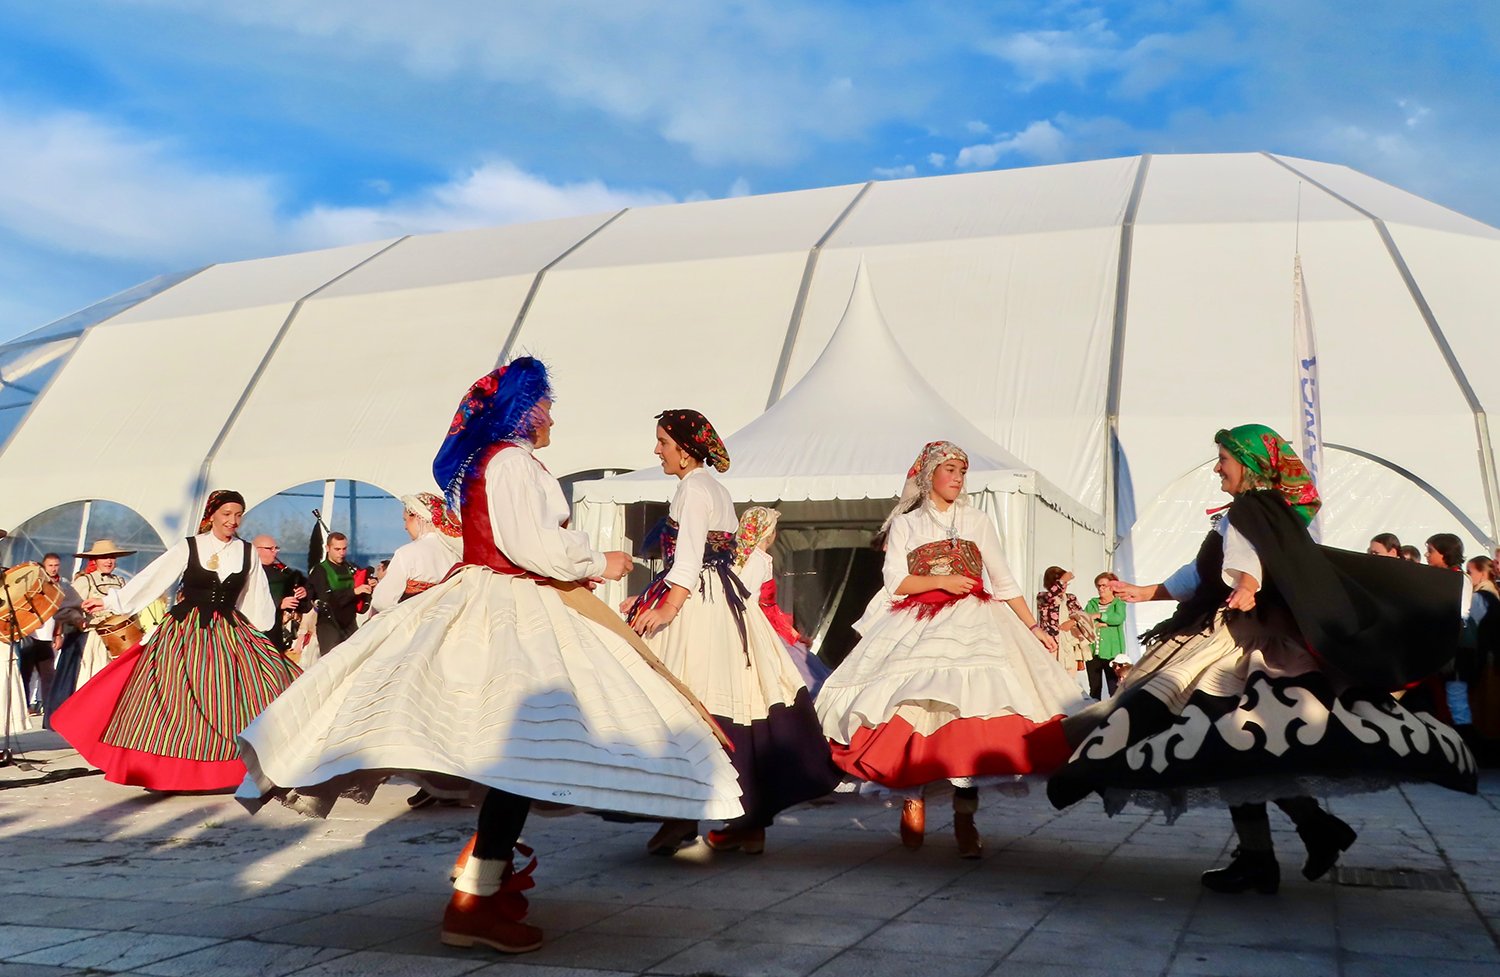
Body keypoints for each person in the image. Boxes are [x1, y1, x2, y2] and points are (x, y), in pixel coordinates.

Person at [237, 359, 742, 956]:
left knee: (520, 752)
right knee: (523, 748)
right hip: (512, 603)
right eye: (547, 404)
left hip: (498, 596)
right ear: (524, 409)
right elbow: (531, 545)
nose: (553, 414)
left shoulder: (500, 462)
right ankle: (475, 896)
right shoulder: (510, 462)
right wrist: (596, 562)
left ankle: (484, 877)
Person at [1048, 425, 1476, 895]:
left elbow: (1245, 561)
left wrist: (1247, 586)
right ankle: (1299, 837)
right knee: (1242, 750)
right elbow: (1203, 573)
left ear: (1249, 466)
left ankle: (1274, 848)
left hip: (1239, 644)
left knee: (1226, 743)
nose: (1217, 468)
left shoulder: (1251, 510)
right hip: (1247, 632)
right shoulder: (1266, 513)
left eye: (1224, 460)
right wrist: (1148, 592)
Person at [815, 441, 1085, 858]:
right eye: (951, 470)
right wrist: (941, 582)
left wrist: (1033, 627)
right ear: (929, 476)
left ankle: (965, 816)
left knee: (975, 714)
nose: (958, 478)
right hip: (919, 619)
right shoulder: (908, 524)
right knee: (912, 706)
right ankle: (913, 794)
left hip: (976, 620)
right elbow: (895, 582)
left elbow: (1003, 578)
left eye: (962, 471)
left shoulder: (977, 520)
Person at [626, 410, 839, 857]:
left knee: (682, 699)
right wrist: (649, 596)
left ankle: (680, 815)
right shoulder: (714, 487)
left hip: (697, 603)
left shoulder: (691, 489)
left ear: (685, 449)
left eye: (663, 442)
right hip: (721, 601)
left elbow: (686, 560)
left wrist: (665, 606)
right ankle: (745, 823)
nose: (657, 450)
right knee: (734, 698)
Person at [51, 491, 300, 792]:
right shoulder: (190, 547)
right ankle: (169, 772)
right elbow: (154, 577)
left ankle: (237, 765)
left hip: (228, 630)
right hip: (185, 631)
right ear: (212, 515)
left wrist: (260, 637)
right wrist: (112, 601)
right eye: (226, 514)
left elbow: (256, 601)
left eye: (238, 515)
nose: (232, 521)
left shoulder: (247, 552)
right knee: (174, 701)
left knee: (232, 695)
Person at [731, 506, 830, 696]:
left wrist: (790, 634)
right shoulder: (755, 561)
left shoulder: (751, 558)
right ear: (769, 533)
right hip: (757, 626)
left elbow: (768, 607)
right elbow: (749, 601)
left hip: (766, 624)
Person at [370, 493, 462, 614]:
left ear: (418, 518)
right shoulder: (455, 555)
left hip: (414, 625)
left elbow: (383, 601)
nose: (405, 527)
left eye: (406, 520)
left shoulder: (407, 553)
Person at [15, 554, 83, 714]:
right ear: (44, 567)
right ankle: (23, 706)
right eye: (50, 565)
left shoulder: (63, 585)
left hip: (47, 637)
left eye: (56, 565)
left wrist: (58, 634)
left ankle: (50, 707)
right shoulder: (34, 583)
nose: (54, 568)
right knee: (25, 674)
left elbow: (61, 611)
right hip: (30, 635)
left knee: (48, 675)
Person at [307, 532, 372, 654]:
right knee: (331, 665)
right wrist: (353, 591)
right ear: (327, 548)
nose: (341, 553)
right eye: (337, 549)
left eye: (344, 549)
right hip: (329, 625)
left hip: (350, 624)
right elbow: (326, 598)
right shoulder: (320, 570)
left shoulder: (350, 568)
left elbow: (360, 586)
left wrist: (368, 585)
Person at [1465, 556, 1500, 759]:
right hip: (1492, 659)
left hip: (1486, 660)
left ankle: (1487, 751)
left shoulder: (1481, 597)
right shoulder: (1493, 594)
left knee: (1486, 709)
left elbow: (1473, 630)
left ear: (1482, 573)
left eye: (1470, 572)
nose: (1469, 576)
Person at [252, 536, 311, 655]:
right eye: (270, 549)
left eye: (276, 548)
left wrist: (303, 591)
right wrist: (279, 603)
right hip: (255, 631)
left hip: (276, 630)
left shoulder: (281, 573)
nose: (275, 552)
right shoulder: (249, 573)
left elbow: (304, 598)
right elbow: (250, 599)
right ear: (256, 550)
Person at [1037, 567, 1088, 683]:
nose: (1064, 585)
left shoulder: (1071, 598)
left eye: (1066, 583)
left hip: (1069, 645)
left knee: (1070, 681)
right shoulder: (1043, 597)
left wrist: (1072, 622)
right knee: (1051, 680)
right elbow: (1049, 597)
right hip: (1050, 644)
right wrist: (1061, 581)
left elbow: (1083, 616)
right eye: (1062, 583)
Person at [1083, 571, 1126, 699]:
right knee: (1095, 687)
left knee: (1114, 686)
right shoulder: (1092, 604)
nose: (1101, 589)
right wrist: (1103, 623)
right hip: (1092, 651)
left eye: (1104, 585)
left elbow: (1118, 618)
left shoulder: (1118, 604)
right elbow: (1086, 620)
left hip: (1111, 652)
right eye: (1099, 586)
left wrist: (1100, 616)